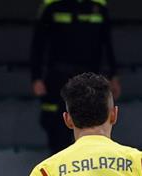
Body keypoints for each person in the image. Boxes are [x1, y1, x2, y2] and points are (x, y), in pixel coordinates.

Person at [30, 0, 120, 154]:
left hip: (91, 77)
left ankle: (89, 162)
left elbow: (108, 43)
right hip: (58, 77)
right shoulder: (52, 5)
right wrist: (36, 77)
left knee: (93, 126)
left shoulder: (98, 5)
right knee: (55, 126)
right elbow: (38, 43)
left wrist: (114, 75)